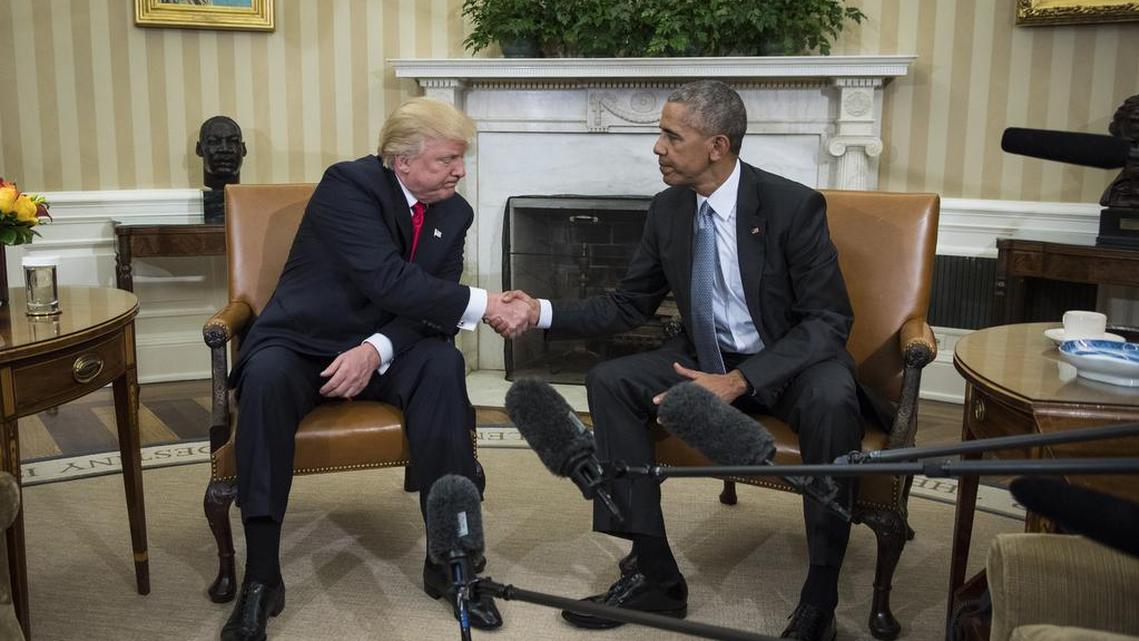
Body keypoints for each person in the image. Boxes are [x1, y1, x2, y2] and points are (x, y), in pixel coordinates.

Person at [494, 80, 881, 641]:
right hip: (704, 355)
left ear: (717, 146)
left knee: (832, 398)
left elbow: (827, 322)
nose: (657, 147)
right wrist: (540, 311)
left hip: (789, 362)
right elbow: (629, 303)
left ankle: (820, 594)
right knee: (610, 380)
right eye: (661, 134)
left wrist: (741, 379)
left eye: (671, 136)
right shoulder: (669, 209)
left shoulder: (792, 206)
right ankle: (655, 572)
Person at [220, 97, 529, 641]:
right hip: (304, 340)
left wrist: (376, 349)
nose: (459, 171)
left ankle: (450, 564)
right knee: (265, 380)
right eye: (446, 160)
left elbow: (427, 310)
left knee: (441, 363)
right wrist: (487, 304)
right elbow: (388, 280)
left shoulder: (454, 210)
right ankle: (262, 577)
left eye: (462, 159)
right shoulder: (349, 185)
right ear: (399, 160)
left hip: (388, 346)